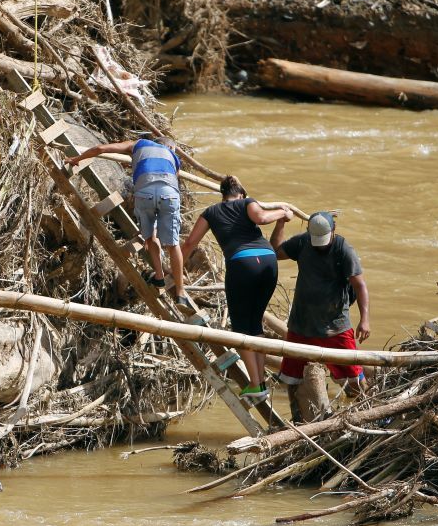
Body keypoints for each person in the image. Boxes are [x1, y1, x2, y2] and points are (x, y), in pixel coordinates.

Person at [181, 176, 291, 402]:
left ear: (223, 194)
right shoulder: (247, 202)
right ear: (240, 193)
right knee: (254, 323)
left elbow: (191, 242)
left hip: (242, 264)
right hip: (268, 261)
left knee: (242, 327)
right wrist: (284, 212)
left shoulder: (211, 212)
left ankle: (256, 384)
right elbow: (260, 217)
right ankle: (259, 382)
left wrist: (176, 269)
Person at [64, 136, 190, 309]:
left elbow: (101, 148)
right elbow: (170, 180)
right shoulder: (173, 158)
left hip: (145, 193)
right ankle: (181, 293)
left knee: (150, 237)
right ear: (170, 147)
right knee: (173, 244)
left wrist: (75, 159)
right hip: (169, 194)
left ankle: (159, 277)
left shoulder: (138, 143)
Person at [270, 210, 370, 421]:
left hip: (334, 326)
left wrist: (364, 319)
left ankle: (366, 412)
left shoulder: (343, 249)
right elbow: (276, 251)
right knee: (292, 377)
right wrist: (280, 224)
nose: (321, 244)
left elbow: (359, 285)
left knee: (354, 377)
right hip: (301, 324)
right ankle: (298, 419)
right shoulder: (303, 242)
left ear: (333, 231)